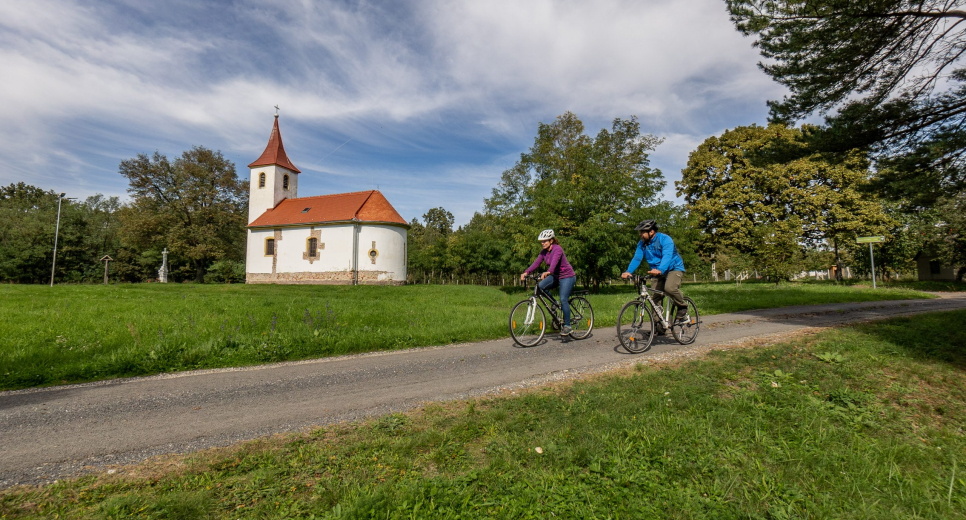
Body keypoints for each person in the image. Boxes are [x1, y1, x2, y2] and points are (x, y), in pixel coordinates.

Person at [620, 220, 687, 333]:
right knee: (654, 299)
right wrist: (628, 271)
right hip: (656, 271)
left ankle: (682, 306)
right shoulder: (642, 244)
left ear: (651, 232)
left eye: (642, 232)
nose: (640, 234)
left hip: (674, 268)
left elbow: (667, 256)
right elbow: (637, 258)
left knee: (670, 288)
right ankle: (659, 326)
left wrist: (660, 269)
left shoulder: (665, 239)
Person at [520, 229, 577, 336]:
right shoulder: (544, 252)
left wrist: (549, 271)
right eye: (541, 241)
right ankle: (555, 303)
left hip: (567, 276)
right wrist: (526, 272)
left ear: (551, 241)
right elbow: (536, 263)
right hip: (556, 276)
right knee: (540, 287)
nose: (542, 243)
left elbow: (554, 261)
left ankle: (568, 326)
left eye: (545, 241)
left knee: (564, 299)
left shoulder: (557, 249)